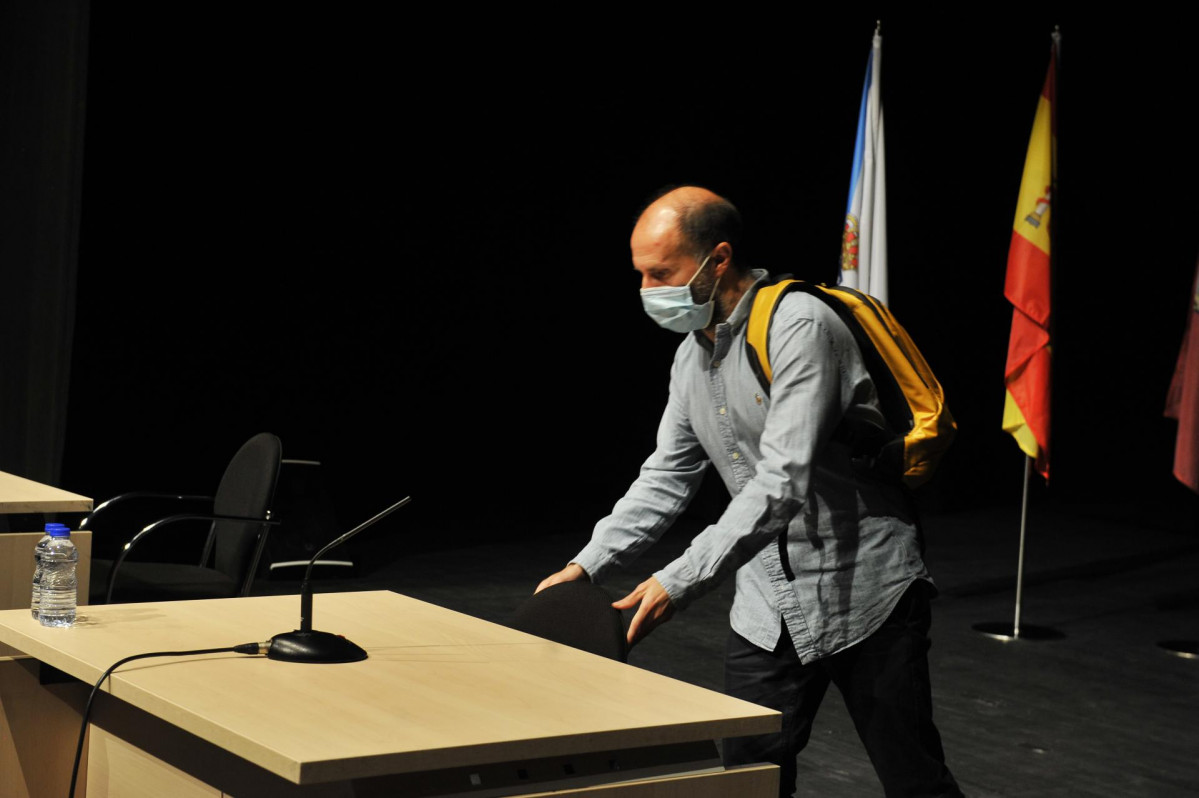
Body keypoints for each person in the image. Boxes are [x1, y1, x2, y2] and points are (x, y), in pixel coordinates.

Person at [536, 185, 962, 797]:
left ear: (718, 258)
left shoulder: (799, 325)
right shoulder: (692, 358)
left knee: (914, 778)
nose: (648, 290)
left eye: (662, 272)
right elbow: (666, 476)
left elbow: (781, 485)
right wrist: (587, 564)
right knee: (746, 782)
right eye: (640, 275)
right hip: (767, 609)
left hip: (865, 592)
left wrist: (675, 582)